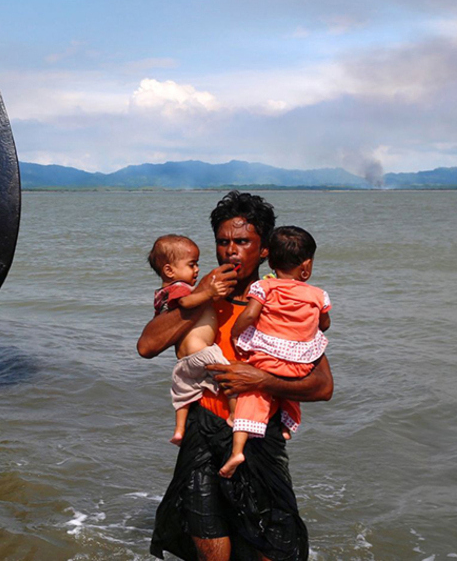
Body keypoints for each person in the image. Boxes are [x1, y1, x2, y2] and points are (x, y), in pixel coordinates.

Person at [137, 191, 333, 561]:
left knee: (273, 545)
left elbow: (323, 387)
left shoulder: (288, 305)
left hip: (259, 439)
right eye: (223, 242)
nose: (231, 251)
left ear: (264, 251)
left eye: (242, 242)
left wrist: (258, 380)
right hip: (202, 435)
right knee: (210, 545)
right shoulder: (198, 300)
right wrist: (204, 293)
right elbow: (147, 346)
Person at [220, 226, 332, 478]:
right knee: (290, 382)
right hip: (300, 359)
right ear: (306, 266)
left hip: (268, 356)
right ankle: (286, 426)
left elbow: (250, 314)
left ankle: (237, 450)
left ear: (269, 260)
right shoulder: (317, 294)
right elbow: (324, 323)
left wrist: (236, 333)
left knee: (252, 392)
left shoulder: (264, 287)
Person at [147, 234, 232, 445]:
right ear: (169, 270)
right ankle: (234, 414)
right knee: (231, 380)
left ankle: (179, 430)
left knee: (183, 396)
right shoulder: (179, 288)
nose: (197, 270)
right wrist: (209, 292)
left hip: (183, 360)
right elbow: (186, 302)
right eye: (192, 265)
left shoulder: (162, 295)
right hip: (202, 352)